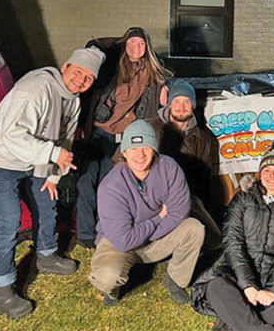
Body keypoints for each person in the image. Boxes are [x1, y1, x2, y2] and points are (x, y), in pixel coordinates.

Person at [0, 47, 106, 318]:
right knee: (8, 220)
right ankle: (2, 289)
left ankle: (46, 255)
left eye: (89, 77)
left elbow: (63, 141)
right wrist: (53, 154)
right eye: (78, 71)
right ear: (65, 66)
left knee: (47, 201)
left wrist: (53, 175)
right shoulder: (37, 87)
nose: (81, 80)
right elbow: (12, 134)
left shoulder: (73, 100)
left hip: (30, 161)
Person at [190, 149, 274, 331]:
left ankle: (238, 323)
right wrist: (248, 286)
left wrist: (273, 290)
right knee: (215, 286)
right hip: (238, 277)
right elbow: (233, 242)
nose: (272, 175)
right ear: (259, 173)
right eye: (267, 170)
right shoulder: (242, 199)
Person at [76, 26, 174, 248]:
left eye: (141, 44)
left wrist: (167, 87)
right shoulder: (111, 64)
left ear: (147, 47)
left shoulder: (150, 70)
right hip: (98, 130)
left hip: (123, 137)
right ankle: (84, 233)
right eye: (131, 43)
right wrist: (81, 125)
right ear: (124, 44)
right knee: (86, 181)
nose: (136, 48)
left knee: (109, 183)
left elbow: (172, 78)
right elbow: (95, 44)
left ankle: (104, 229)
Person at [88, 120, 204, 306]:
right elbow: (123, 240)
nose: (140, 155)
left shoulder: (169, 168)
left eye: (146, 148)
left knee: (195, 228)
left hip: (154, 238)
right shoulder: (111, 187)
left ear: (155, 150)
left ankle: (175, 280)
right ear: (124, 152)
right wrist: (158, 217)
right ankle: (112, 290)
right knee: (107, 276)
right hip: (120, 244)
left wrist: (150, 234)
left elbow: (179, 211)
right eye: (133, 149)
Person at [112, 79, 221, 252]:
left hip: (182, 196)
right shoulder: (148, 126)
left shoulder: (203, 138)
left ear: (193, 106)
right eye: (176, 101)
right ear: (169, 104)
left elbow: (204, 177)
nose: (181, 107)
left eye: (186, 102)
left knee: (214, 241)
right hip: (146, 195)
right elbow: (119, 160)